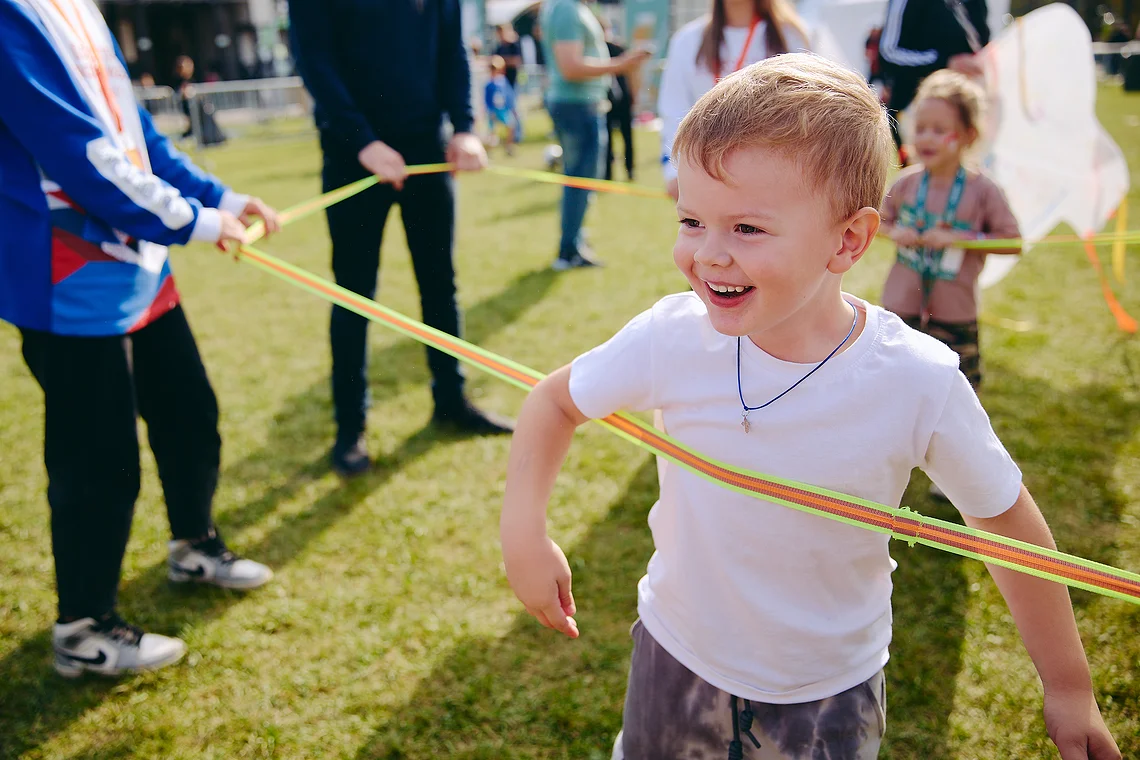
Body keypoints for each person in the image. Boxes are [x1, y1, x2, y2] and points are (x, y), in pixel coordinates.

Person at [500, 55, 1121, 760]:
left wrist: (1068, 686)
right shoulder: (671, 338)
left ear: (849, 240)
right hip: (675, 657)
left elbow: (1006, 522)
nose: (708, 255)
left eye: (748, 230)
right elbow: (555, 401)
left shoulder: (915, 380)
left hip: (828, 695)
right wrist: (524, 525)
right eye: (693, 220)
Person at [0, 0, 279, 677]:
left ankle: (195, 546)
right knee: (98, 461)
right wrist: (198, 221)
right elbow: (80, 154)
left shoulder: (78, 8)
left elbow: (133, 133)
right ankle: (84, 630)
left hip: (141, 269)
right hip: (65, 278)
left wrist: (221, 195)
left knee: (189, 414)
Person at [289, 0, 514, 478]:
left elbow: (451, 51)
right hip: (354, 156)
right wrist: (362, 141)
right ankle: (351, 427)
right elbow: (314, 60)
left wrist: (465, 128)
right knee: (353, 294)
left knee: (439, 284)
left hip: (425, 149)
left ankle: (451, 402)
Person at [880, 69, 1020, 392]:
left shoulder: (983, 190)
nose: (925, 138)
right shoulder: (906, 183)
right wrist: (894, 231)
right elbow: (876, 224)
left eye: (940, 130)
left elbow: (1012, 242)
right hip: (901, 311)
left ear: (968, 136)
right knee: (895, 390)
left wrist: (962, 239)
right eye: (921, 128)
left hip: (955, 318)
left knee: (957, 395)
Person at [657, 0, 809, 200]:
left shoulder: (792, 36)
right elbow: (674, 109)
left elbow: (805, 112)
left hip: (773, 178)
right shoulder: (688, 40)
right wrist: (674, 171)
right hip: (707, 174)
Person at [539, 0, 651, 270]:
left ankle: (574, 243)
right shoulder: (566, 8)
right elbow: (570, 66)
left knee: (581, 179)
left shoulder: (566, 7)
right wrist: (620, 65)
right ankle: (569, 251)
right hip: (578, 106)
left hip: (580, 105)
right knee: (579, 180)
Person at [878, 0, 989, 162]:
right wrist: (944, 63)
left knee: (969, 180)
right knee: (922, 183)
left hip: (967, 112)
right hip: (918, 110)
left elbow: (981, 41)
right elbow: (888, 53)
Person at [603, 30, 637, 182]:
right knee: (609, 138)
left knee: (625, 136)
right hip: (606, 98)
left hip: (621, 98)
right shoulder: (597, 50)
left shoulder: (617, 48)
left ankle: (628, 169)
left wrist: (633, 94)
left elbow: (630, 72)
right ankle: (609, 173)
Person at [485, 55, 522, 155]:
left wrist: (512, 108)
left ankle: (509, 147)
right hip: (493, 111)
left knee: (511, 126)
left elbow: (509, 96)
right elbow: (487, 99)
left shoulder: (503, 81)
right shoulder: (489, 84)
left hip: (503, 110)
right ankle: (488, 151)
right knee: (493, 132)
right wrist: (489, 110)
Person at [493, 23, 524, 90]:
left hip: (513, 78)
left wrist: (502, 61)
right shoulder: (500, 47)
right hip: (502, 79)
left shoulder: (514, 45)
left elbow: (517, 60)